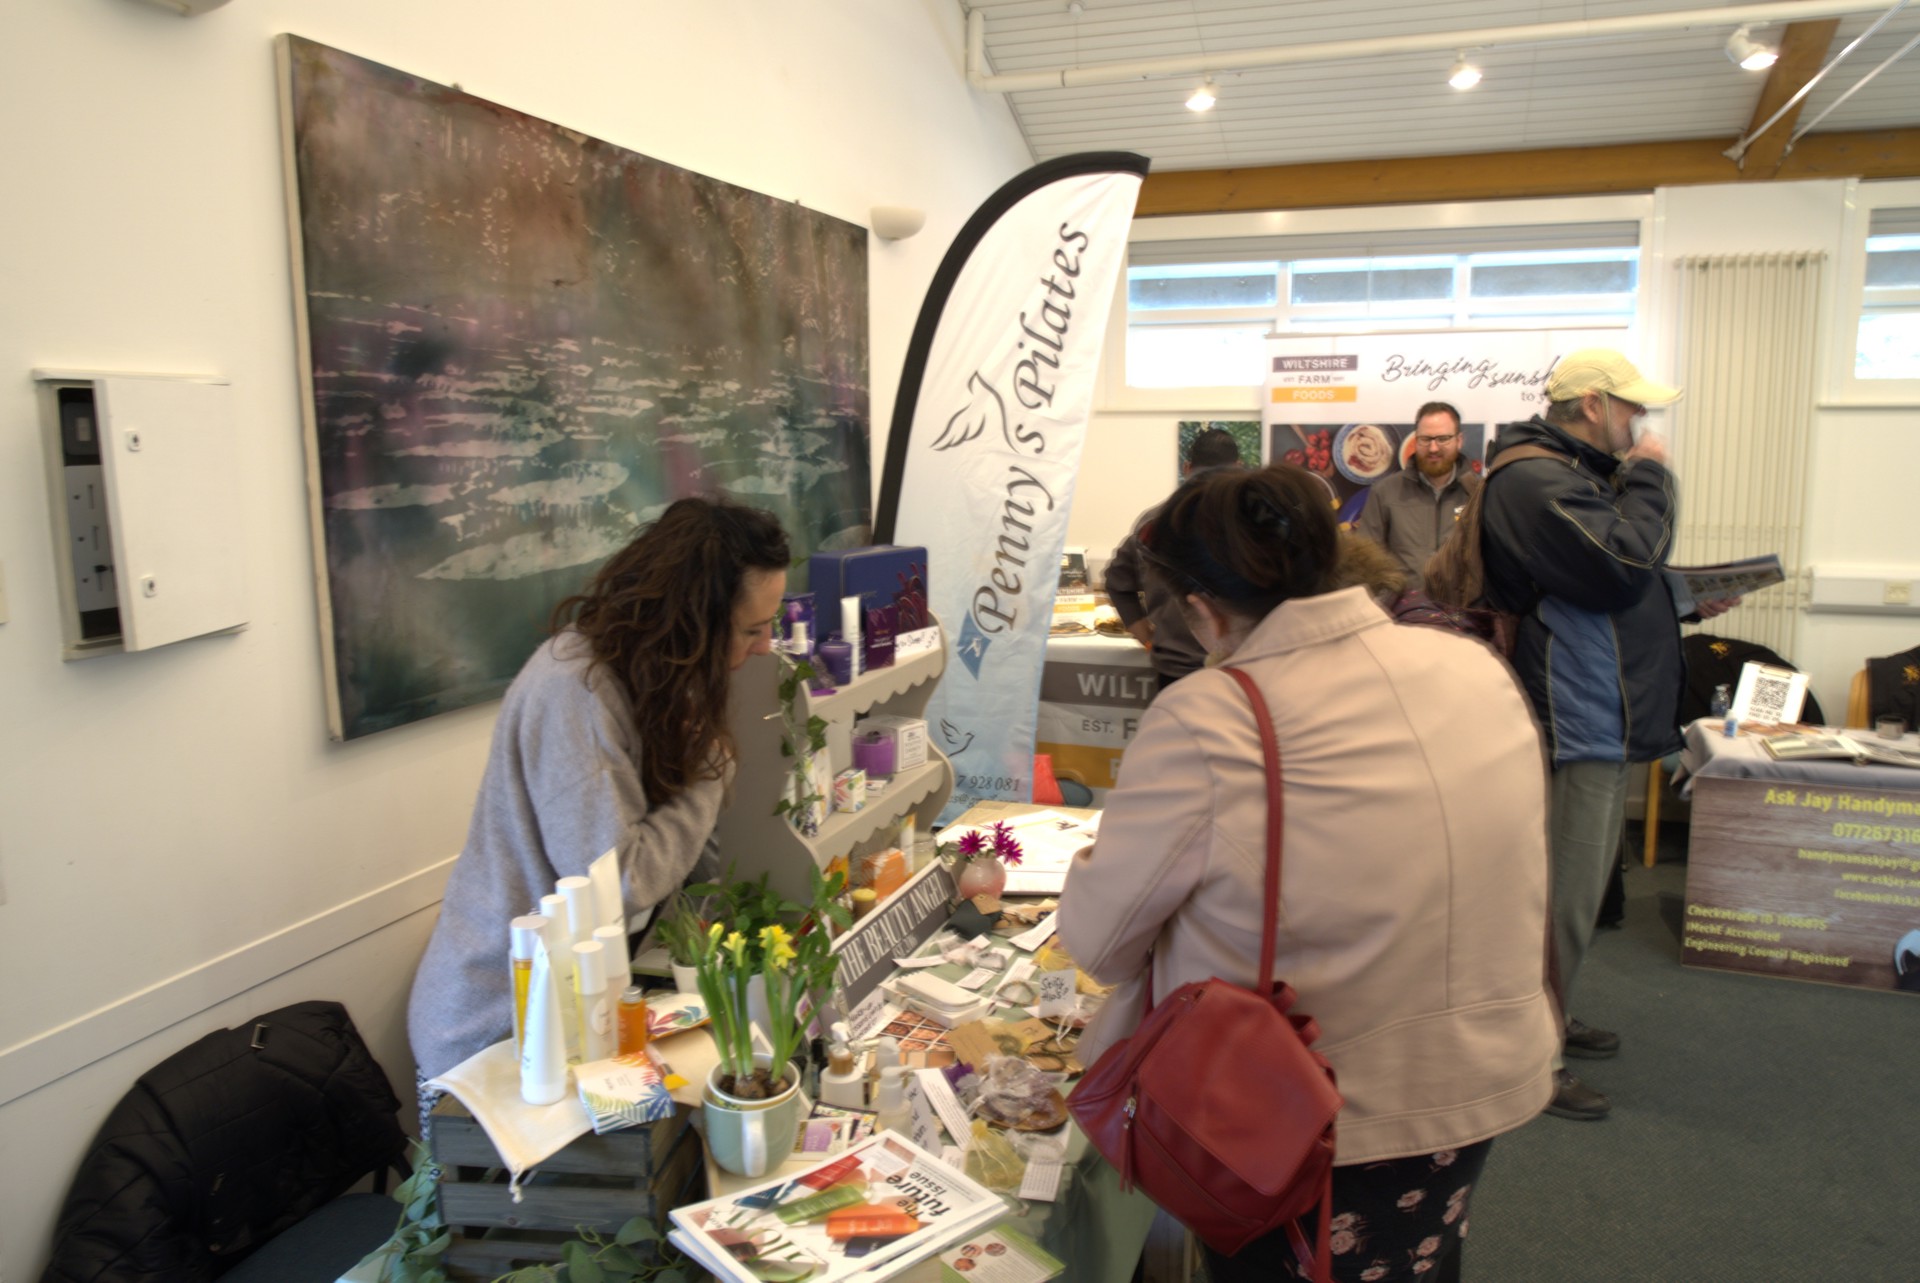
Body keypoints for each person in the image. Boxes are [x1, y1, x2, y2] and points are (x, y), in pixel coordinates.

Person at [1058, 464, 1558, 1283]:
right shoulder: (1470, 663)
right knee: (1418, 1262)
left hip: (1310, 1108)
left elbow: (1100, 941)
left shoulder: (1210, 714)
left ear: (1203, 607)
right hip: (1481, 1070)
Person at [408, 496, 790, 1084]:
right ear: (694, 619)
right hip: (498, 1034)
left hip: (575, 1006)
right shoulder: (576, 690)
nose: (764, 646)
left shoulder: (655, 674)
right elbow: (619, 881)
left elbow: (686, 852)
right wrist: (711, 771)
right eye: (751, 630)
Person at [1476, 348, 1726, 1122]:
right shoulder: (1535, 478)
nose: (1640, 421)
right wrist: (1653, 477)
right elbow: (1621, 561)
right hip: (1578, 715)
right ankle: (1534, 1056)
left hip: (1594, 712)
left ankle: (1550, 1015)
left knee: (1574, 894)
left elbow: (1601, 585)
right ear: (1592, 404)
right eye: (1632, 407)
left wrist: (1682, 597)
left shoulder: (1564, 472)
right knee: (1562, 897)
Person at [1105, 427, 1247, 690]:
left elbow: (1117, 581)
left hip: (1176, 670)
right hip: (1241, 673)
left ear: (1187, 468)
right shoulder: (1256, 525)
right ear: (1238, 467)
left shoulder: (1152, 523)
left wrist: (1148, 637)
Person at [1352, 401, 1480, 588]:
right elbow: (1365, 562)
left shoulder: (1480, 493)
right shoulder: (1385, 492)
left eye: (1443, 438)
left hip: (1463, 605)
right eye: (1425, 439)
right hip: (1402, 604)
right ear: (1416, 440)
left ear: (1459, 440)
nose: (1433, 448)